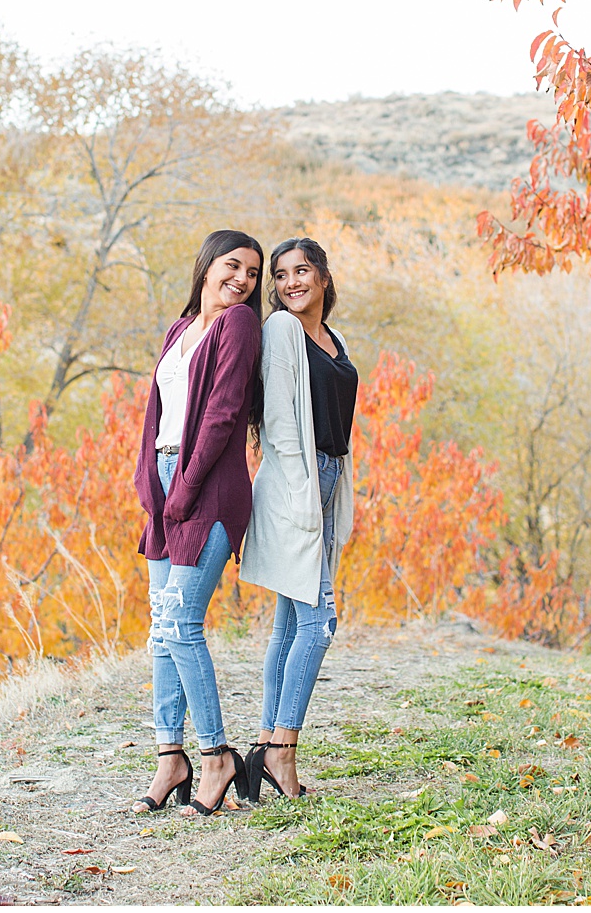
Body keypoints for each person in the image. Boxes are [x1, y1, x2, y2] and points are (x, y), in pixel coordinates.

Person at [131, 229, 264, 817]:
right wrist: (150, 485)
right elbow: (157, 414)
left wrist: (183, 490)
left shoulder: (239, 327)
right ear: (206, 265)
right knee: (161, 624)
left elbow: (222, 414)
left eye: (253, 273)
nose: (241, 279)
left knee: (181, 622)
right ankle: (170, 758)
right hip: (165, 476)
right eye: (232, 266)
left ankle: (217, 756)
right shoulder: (180, 329)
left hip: (211, 485)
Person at [239, 237, 357, 802]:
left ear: (324, 277)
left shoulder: (333, 340)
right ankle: (282, 752)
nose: (290, 283)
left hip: (326, 478)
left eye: (302, 271)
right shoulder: (282, 331)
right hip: (296, 485)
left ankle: (265, 744)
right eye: (281, 275)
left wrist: (329, 490)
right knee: (319, 621)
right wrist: (304, 494)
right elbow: (283, 424)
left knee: (290, 623)